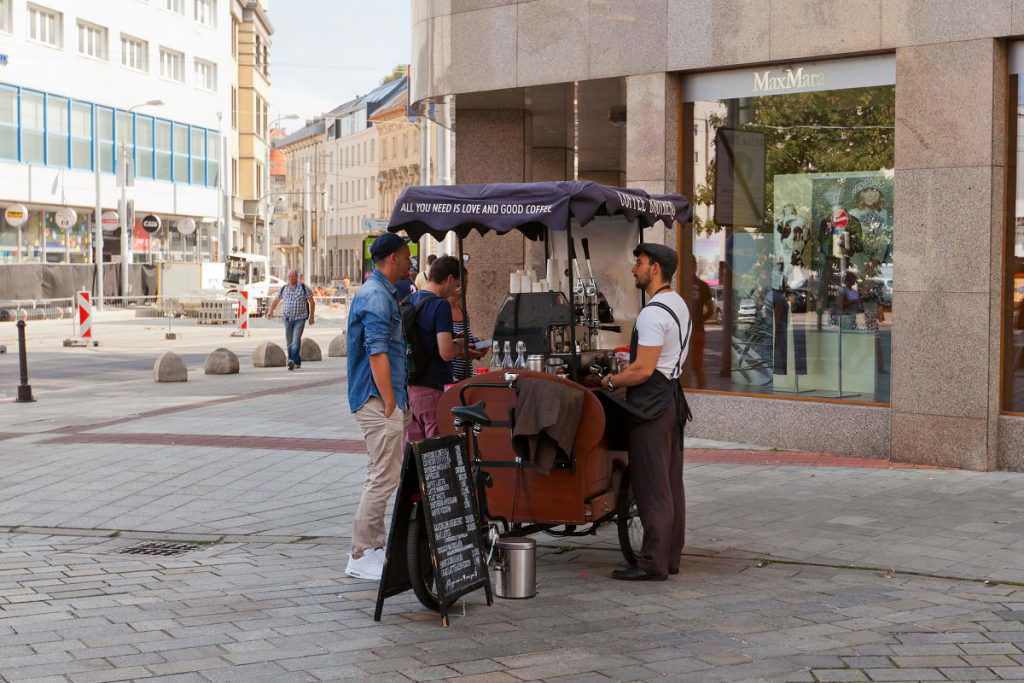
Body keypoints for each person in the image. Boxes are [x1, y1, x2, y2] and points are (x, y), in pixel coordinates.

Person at [597, 244, 690, 581]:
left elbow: (643, 370)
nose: (634, 268)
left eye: (640, 263)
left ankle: (652, 562)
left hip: (651, 403)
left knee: (652, 486)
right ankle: (670, 557)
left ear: (655, 269)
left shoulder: (653, 313)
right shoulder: (677, 304)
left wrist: (611, 380)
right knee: (670, 482)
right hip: (671, 399)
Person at [344, 233, 412, 580]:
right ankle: (362, 552)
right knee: (382, 476)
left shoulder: (383, 293)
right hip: (376, 398)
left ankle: (374, 545)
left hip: (383, 397)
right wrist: (388, 400)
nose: (410, 261)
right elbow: (377, 352)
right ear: (391, 259)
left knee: (383, 473)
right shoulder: (375, 296)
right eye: (405, 256)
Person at [407, 255, 464, 442]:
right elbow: (446, 352)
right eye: (456, 284)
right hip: (433, 388)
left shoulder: (411, 299)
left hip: (411, 388)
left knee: (415, 449)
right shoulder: (440, 305)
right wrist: (460, 346)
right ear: (449, 279)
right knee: (437, 453)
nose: (456, 289)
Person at [265, 269, 315, 371]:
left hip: (300, 318)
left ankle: (291, 360)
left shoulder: (304, 288)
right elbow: (276, 300)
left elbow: (312, 302)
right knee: (289, 341)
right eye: (289, 277)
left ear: (297, 277)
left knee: (295, 340)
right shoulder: (284, 288)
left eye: (292, 277)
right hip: (287, 318)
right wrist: (270, 311)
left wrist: (312, 316)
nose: (290, 279)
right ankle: (296, 361)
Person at [449, 271, 485, 383]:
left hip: (466, 377)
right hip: (450, 378)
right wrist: (461, 351)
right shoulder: (442, 310)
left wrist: (480, 345)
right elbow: (445, 348)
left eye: (465, 284)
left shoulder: (462, 309)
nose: (462, 289)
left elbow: (467, 340)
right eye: (458, 285)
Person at [688, 256, 715, 388]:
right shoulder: (703, 285)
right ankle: (702, 394)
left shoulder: (679, 284)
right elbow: (711, 310)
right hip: (698, 330)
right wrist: (699, 320)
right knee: (698, 368)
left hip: (686, 332)